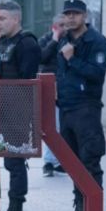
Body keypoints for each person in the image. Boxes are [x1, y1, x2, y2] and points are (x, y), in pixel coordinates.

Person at [54, 0, 106, 211]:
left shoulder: (97, 42)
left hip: (86, 108)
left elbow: (97, 74)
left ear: (85, 16)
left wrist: (73, 59)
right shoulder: (64, 40)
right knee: (73, 162)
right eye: (67, 14)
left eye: (75, 14)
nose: (70, 18)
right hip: (66, 107)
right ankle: (79, 210)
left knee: (90, 161)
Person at [0, 2, 42, 211]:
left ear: (16, 19)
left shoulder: (27, 44)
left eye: (2, 18)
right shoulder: (3, 42)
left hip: (17, 113)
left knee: (15, 161)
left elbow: (26, 82)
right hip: (0, 110)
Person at [38, 14, 66, 176]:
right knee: (53, 126)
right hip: (49, 88)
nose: (64, 28)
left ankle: (60, 161)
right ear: (54, 26)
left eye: (65, 25)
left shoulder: (71, 40)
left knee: (64, 127)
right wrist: (54, 40)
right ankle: (49, 162)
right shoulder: (46, 40)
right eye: (61, 25)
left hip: (66, 88)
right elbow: (41, 57)